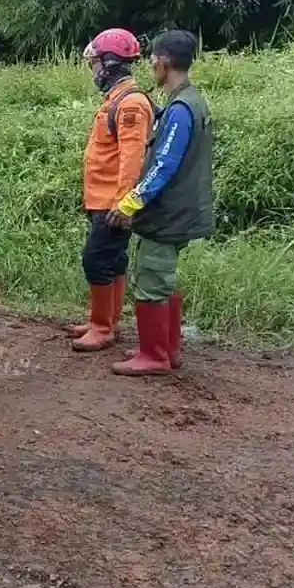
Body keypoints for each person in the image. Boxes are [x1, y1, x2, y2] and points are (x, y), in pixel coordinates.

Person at [108, 30, 213, 376]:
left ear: (164, 63)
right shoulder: (192, 100)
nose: (151, 65)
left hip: (169, 213)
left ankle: (154, 356)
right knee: (163, 277)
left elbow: (164, 165)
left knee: (152, 277)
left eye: (152, 60)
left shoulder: (181, 109)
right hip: (183, 209)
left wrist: (129, 203)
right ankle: (167, 348)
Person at [68, 28, 154, 352]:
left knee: (95, 260)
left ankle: (102, 328)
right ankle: (107, 321)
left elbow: (132, 160)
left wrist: (123, 203)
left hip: (113, 203)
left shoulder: (130, 104)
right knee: (114, 261)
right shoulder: (117, 100)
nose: (94, 71)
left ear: (110, 64)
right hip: (102, 199)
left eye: (96, 64)